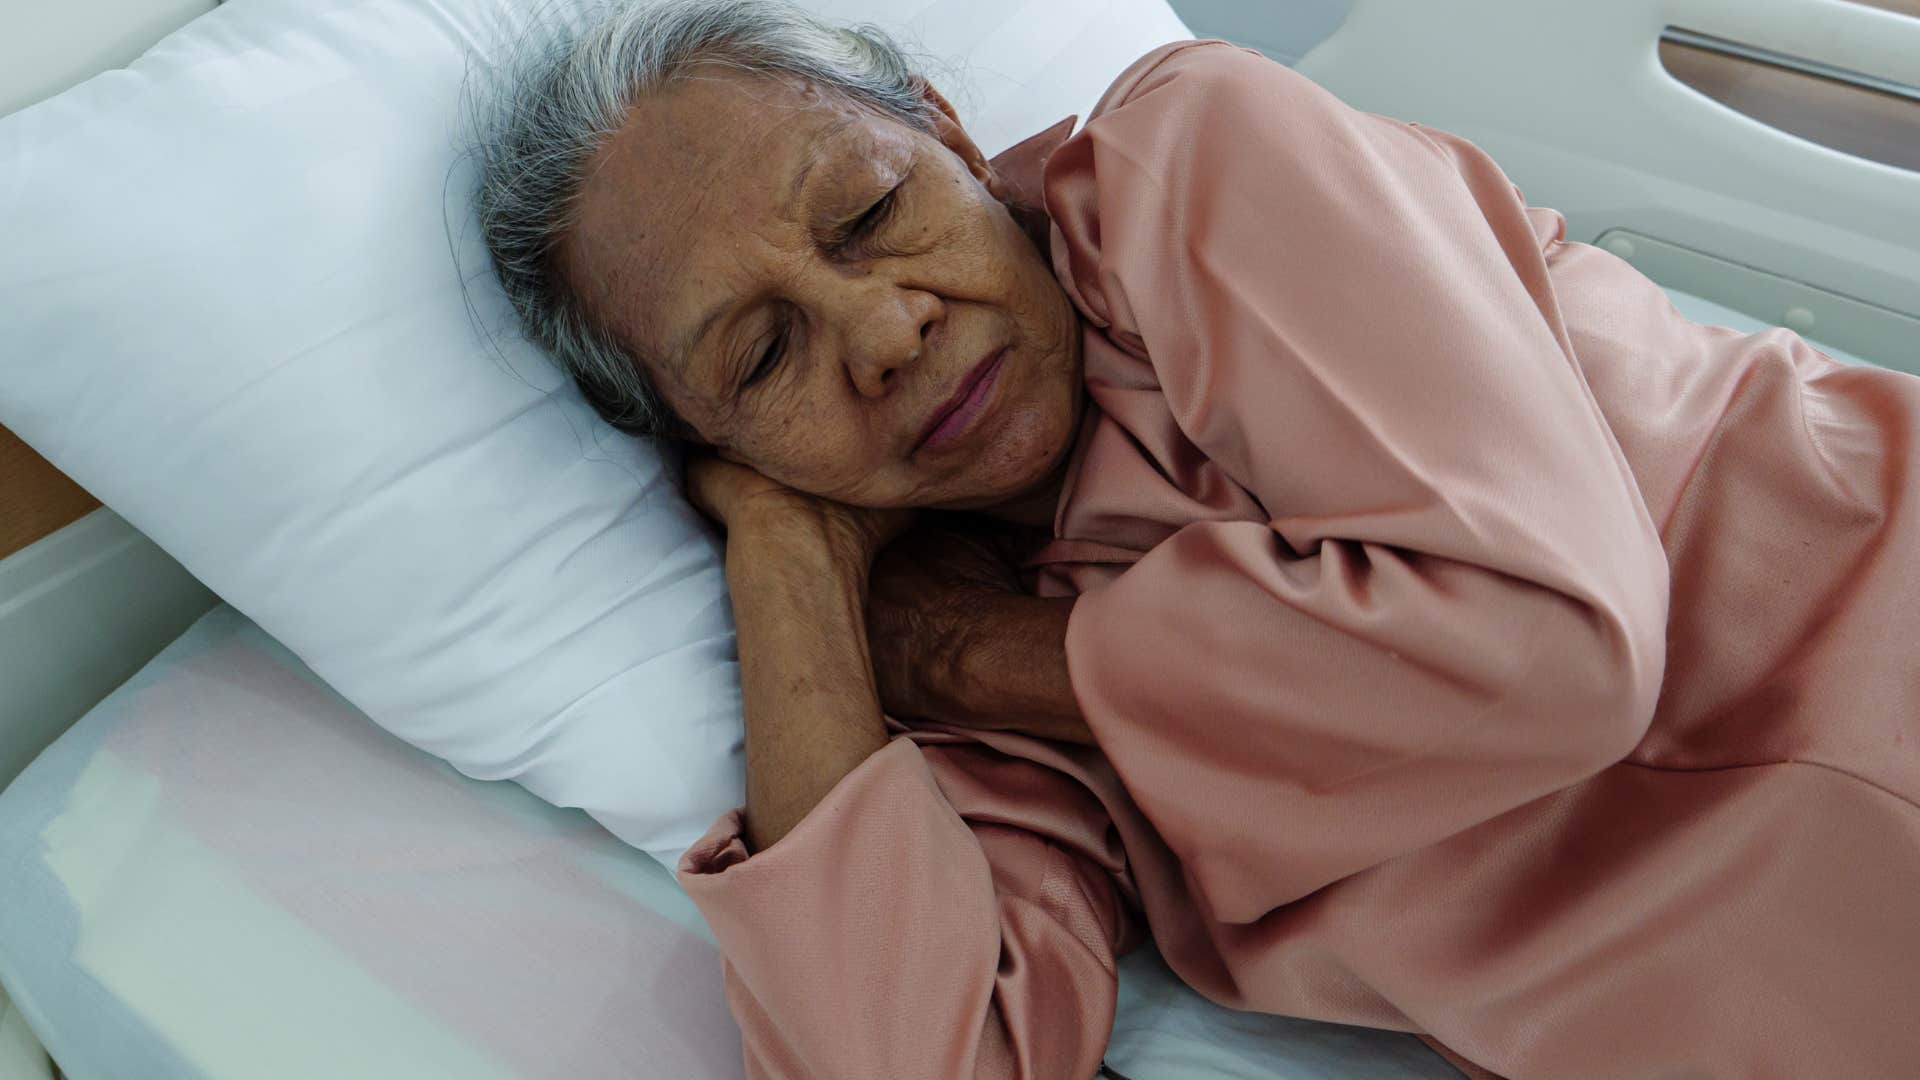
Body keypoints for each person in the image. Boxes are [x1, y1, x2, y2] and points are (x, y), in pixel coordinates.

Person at [471, 2, 1920, 1076]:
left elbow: (1548, 650)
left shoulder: (1194, 157)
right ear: (711, 450)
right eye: (761, 358)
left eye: (868, 212)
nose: (883, 330)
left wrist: (987, 658)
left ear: (951, 136)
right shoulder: (939, 691)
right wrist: (790, 572)